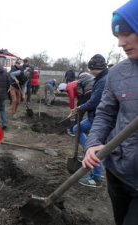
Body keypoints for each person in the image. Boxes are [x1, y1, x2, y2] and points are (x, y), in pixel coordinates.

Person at [83, 1, 138, 224]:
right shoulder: (117, 74)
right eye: (117, 36)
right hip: (117, 172)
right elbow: (105, 113)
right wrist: (94, 142)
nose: (120, 43)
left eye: (127, 33)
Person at [71, 54, 108, 188]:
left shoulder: (103, 80)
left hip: (100, 118)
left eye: (90, 68)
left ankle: (96, 177)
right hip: (96, 116)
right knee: (77, 129)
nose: (90, 71)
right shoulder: (101, 78)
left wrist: (80, 107)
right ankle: (89, 152)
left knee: (93, 146)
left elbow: (94, 102)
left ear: (93, 68)